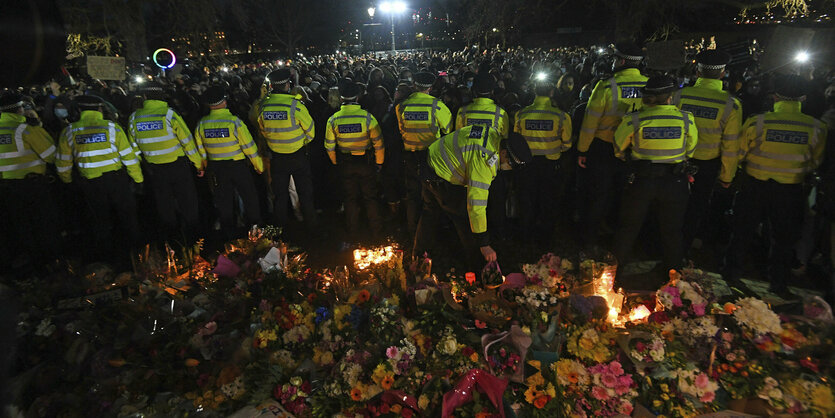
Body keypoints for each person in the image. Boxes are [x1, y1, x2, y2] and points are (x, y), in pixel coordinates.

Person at [726, 74, 828, 296]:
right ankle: (778, 284)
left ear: (775, 97)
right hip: (790, 191)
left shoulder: (758, 121)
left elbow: (740, 153)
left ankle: (732, 277)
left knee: (742, 233)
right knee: (784, 239)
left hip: (754, 186)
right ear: (803, 98)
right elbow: (815, 162)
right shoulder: (817, 128)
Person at [612, 75, 698, 283]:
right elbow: (691, 149)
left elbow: (618, 148)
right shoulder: (685, 118)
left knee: (628, 228)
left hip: (642, 181)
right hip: (675, 182)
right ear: (670, 97)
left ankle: (613, 274)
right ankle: (674, 280)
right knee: (672, 231)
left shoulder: (634, 119)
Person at [413, 125, 532, 269]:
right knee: (464, 218)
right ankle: (477, 267)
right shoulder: (484, 162)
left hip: (430, 161)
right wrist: (484, 244)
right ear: (504, 153)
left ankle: (418, 257)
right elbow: (476, 206)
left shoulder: (493, 134)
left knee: (429, 213)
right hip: (439, 176)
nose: (508, 168)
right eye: (510, 164)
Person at [577, 42, 648, 248]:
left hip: (604, 147)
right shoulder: (650, 85)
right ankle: (616, 238)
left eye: (616, 59)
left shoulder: (606, 85)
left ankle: (589, 239)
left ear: (622, 61)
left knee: (599, 195)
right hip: (633, 150)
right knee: (624, 195)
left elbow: (591, 122)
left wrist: (583, 150)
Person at [56, 95, 143, 259]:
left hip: (90, 183)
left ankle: (107, 258)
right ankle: (137, 254)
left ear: (79, 110)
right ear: (100, 109)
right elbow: (128, 157)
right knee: (128, 218)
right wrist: (138, 179)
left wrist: (67, 181)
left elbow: (63, 163)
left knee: (100, 220)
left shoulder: (69, 132)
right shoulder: (113, 128)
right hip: (116, 180)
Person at [673, 50, 743, 254]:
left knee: (670, 206)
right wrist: (727, 176)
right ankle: (681, 252)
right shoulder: (731, 104)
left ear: (697, 71)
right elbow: (731, 145)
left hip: (676, 161)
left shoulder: (679, 95)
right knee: (695, 209)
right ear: (723, 74)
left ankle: (662, 246)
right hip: (706, 167)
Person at [128, 81, 204, 243]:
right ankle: (194, 241)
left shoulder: (134, 118)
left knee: (164, 206)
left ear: (145, 97)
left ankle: (173, 243)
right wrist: (198, 164)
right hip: (178, 167)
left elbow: (134, 150)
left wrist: (141, 174)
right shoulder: (169, 115)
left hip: (155, 170)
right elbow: (187, 142)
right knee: (188, 203)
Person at [194, 86, 264, 241]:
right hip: (237, 166)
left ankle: (230, 237)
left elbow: (200, 149)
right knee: (249, 198)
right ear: (224, 101)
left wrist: (203, 166)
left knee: (224, 202)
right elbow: (249, 146)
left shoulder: (202, 124)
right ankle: (255, 233)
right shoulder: (234, 122)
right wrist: (258, 165)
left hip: (217, 169)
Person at [0, 92, 59, 266]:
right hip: (33, 186)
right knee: (44, 223)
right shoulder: (26, 129)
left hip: (7, 187)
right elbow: (51, 156)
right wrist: (39, 128)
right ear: (19, 109)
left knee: (21, 225)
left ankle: (32, 262)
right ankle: (51, 261)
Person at [255, 68, 317, 233]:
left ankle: (280, 232)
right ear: (288, 85)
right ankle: (312, 228)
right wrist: (300, 142)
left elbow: (263, 130)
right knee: (305, 194)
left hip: (277, 158)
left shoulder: (263, 107)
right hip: (298, 156)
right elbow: (311, 132)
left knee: (279, 196)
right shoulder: (295, 105)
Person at [514, 76, 573, 246]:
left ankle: (525, 238)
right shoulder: (561, 116)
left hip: (526, 166)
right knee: (548, 202)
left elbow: (516, 141)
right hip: (550, 166)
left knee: (526, 201)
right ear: (552, 92)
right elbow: (567, 143)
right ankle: (546, 240)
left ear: (534, 91)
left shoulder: (521, 114)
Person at [324, 81, 385, 242]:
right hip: (365, 162)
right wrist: (379, 162)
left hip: (345, 163)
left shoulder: (334, 119)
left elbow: (329, 146)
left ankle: (352, 232)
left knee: (350, 198)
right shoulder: (367, 117)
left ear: (341, 98)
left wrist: (335, 162)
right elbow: (379, 142)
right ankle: (376, 231)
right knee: (370, 197)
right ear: (357, 97)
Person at [395, 72, 453, 236]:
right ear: (430, 87)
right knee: (434, 194)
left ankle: (413, 228)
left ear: (414, 85)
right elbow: (448, 129)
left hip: (411, 155)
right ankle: (435, 229)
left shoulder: (402, 106)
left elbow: (402, 130)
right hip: (431, 157)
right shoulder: (437, 105)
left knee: (412, 194)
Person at [455, 72, 509, 138]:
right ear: (492, 91)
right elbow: (505, 136)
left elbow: (458, 135)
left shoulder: (462, 111)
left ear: (474, 90)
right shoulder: (501, 112)